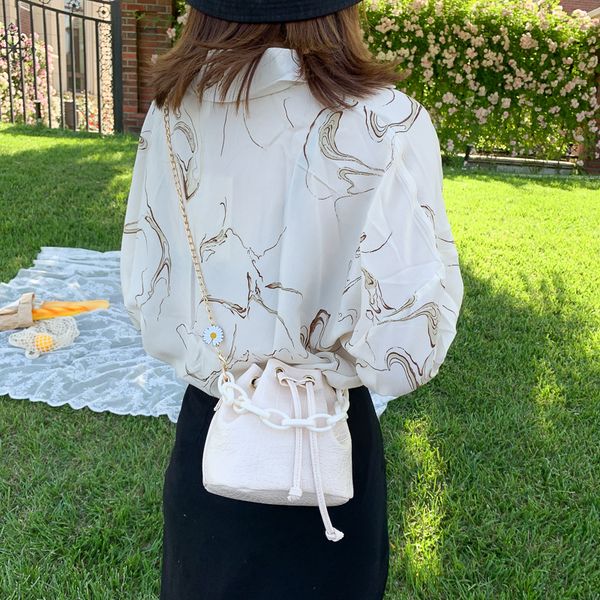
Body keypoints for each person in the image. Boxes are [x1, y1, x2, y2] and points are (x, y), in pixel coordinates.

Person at [119, 1, 464, 598]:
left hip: (215, 423)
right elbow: (407, 346)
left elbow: (149, 289)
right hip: (330, 436)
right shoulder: (387, 121)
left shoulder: (173, 112)